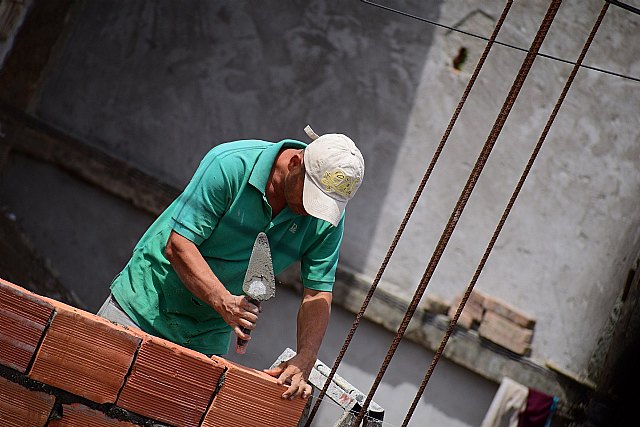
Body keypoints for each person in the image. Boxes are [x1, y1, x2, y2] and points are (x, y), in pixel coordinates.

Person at [97, 125, 365, 400]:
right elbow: (178, 246)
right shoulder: (230, 164)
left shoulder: (325, 217)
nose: (312, 209)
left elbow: (318, 292)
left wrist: (306, 356)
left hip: (205, 336)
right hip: (142, 307)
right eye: (311, 197)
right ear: (296, 162)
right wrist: (225, 302)